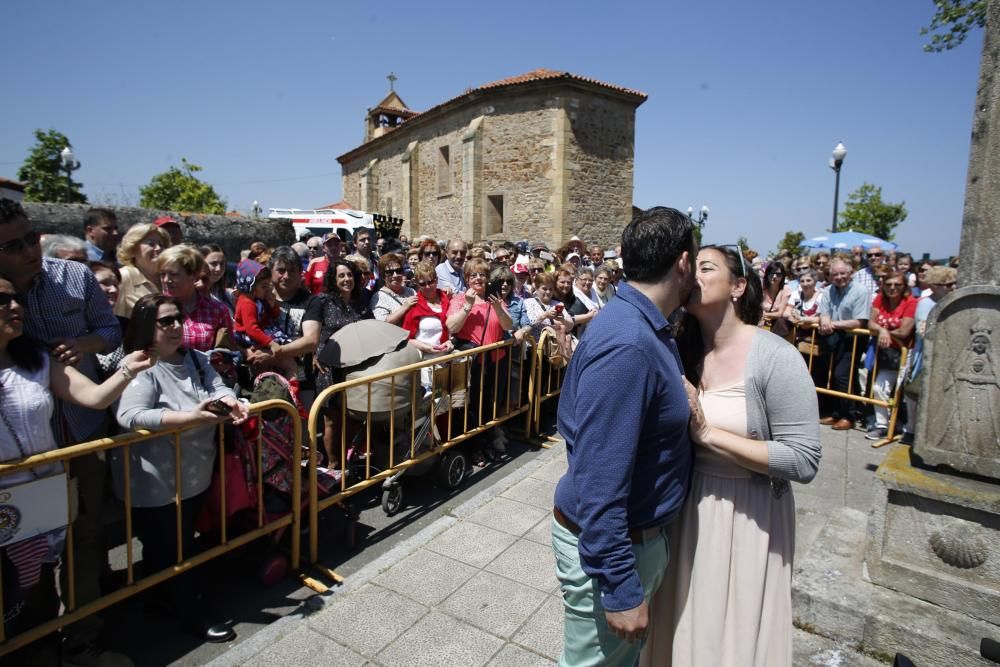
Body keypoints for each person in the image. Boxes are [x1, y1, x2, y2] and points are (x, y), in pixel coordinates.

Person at [641, 245, 821, 667]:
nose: (694, 276)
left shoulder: (775, 357)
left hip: (747, 514)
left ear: (739, 286)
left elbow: (803, 459)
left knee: (727, 637)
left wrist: (707, 433)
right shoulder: (680, 348)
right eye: (691, 268)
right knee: (682, 624)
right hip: (686, 508)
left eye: (706, 268)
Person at [552, 207, 696, 666]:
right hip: (617, 551)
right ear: (683, 263)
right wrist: (619, 586)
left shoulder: (644, 327)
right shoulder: (629, 344)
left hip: (636, 541)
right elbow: (599, 477)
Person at [0, 277, 153, 667]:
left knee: (36, 590)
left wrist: (127, 369)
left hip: (42, 497)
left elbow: (94, 397)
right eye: (2, 300)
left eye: (15, 299)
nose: (15, 307)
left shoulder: (37, 361)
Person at [114, 294, 247, 644]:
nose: (176, 326)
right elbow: (129, 415)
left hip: (193, 472)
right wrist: (188, 417)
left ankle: (162, 599)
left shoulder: (197, 358)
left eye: (177, 319)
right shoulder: (142, 365)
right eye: (165, 321)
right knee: (172, 547)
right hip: (158, 479)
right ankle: (190, 609)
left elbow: (217, 386)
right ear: (147, 327)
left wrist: (230, 401)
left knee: (175, 544)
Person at [446, 257, 512, 440]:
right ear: (466, 279)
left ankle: (488, 438)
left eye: (482, 275)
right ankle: (475, 446)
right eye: (473, 275)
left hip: (495, 361)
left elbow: (508, 325)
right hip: (472, 364)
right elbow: (452, 327)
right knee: (472, 405)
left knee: (491, 402)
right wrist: (467, 306)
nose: (477, 278)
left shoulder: (495, 298)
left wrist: (498, 308)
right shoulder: (460, 299)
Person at [315, 259, 372, 465]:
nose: (347, 279)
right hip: (329, 367)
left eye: (349, 275)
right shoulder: (322, 301)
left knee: (352, 416)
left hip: (354, 367)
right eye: (341, 275)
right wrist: (314, 353)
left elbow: (370, 328)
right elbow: (309, 332)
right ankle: (333, 465)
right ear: (333, 278)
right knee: (332, 420)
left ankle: (350, 458)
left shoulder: (359, 302)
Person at [264, 247, 324, 408]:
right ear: (271, 271)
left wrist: (272, 354)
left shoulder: (311, 302)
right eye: (281, 270)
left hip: (301, 380)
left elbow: (311, 341)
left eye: (292, 270)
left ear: (300, 273)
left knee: (302, 428)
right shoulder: (260, 299)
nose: (286, 276)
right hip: (263, 377)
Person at [817, 259, 871, 430]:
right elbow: (824, 311)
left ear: (851, 273)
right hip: (834, 337)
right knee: (835, 375)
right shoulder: (828, 290)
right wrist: (825, 318)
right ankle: (837, 413)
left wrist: (832, 324)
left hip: (853, 338)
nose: (839, 277)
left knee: (842, 375)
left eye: (842, 273)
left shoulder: (861, 291)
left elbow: (860, 322)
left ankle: (849, 416)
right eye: (835, 274)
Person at [866, 271, 916, 440]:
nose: (892, 288)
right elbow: (870, 322)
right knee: (879, 388)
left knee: (906, 394)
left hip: (906, 353)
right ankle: (882, 424)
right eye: (888, 284)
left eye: (897, 285)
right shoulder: (880, 299)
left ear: (904, 287)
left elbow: (905, 330)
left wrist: (886, 332)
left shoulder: (911, 302)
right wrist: (882, 330)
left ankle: (909, 429)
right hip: (886, 353)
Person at [158, 245, 233, 352]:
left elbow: (230, 351)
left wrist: (221, 360)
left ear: (193, 275)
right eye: (162, 274)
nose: (166, 280)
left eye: (173, 274)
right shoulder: (155, 308)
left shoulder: (217, 310)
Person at [401, 261, 455, 393]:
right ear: (417, 284)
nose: (427, 286)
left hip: (446, 359)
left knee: (449, 402)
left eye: (430, 281)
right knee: (431, 403)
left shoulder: (446, 298)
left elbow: (453, 327)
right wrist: (426, 348)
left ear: (436, 280)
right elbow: (407, 337)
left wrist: (450, 341)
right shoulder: (414, 305)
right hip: (424, 363)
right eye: (422, 284)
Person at [232, 259, 289, 353]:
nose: (267, 290)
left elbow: (275, 315)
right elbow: (251, 329)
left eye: (268, 286)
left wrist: (273, 304)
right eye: (264, 286)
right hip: (250, 337)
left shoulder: (259, 299)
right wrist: (271, 344)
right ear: (251, 287)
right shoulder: (247, 303)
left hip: (261, 334)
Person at [116, 222, 171, 318]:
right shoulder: (124, 276)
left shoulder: (169, 278)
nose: (158, 248)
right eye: (151, 244)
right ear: (133, 249)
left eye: (162, 244)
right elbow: (116, 318)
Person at [370, 252, 417, 324]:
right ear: (383, 275)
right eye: (390, 272)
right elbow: (382, 323)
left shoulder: (411, 291)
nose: (395, 275)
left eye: (398, 271)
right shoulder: (378, 297)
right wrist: (405, 307)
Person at [200, 243, 235, 313]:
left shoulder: (227, 295)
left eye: (222, 264)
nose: (218, 269)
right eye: (213, 263)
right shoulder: (192, 295)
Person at [567, 266, 601, 335]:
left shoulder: (592, 290)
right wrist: (588, 316)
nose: (588, 282)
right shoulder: (572, 293)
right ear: (576, 280)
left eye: (590, 280)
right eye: (584, 279)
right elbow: (569, 318)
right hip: (578, 333)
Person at [760, 262, 790, 331]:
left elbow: (780, 313)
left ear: (783, 276)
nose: (774, 276)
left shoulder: (785, 289)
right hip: (761, 322)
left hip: (776, 325)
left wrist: (764, 314)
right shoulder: (761, 287)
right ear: (767, 274)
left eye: (778, 274)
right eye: (771, 273)